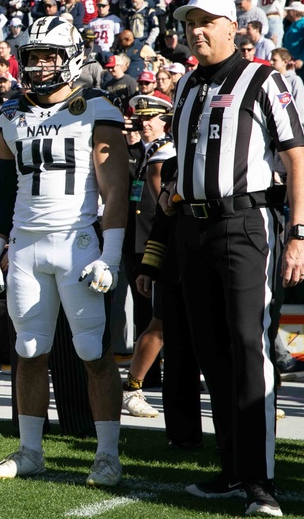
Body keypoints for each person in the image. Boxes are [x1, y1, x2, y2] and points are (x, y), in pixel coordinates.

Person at [167, 0, 304, 517]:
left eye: (207, 22)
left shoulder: (263, 79)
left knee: (250, 348)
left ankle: (260, 481)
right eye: (189, 23)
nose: (196, 31)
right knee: (212, 351)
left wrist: (299, 233)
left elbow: (297, 159)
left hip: (246, 223)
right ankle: (232, 468)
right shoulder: (186, 84)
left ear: (233, 27)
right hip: (193, 227)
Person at [0, 17, 128, 487]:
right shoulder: (10, 112)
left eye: (49, 55)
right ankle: (30, 450)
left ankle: (107, 455)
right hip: (25, 244)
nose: (40, 65)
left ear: (71, 58)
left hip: (78, 241)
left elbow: (116, 188)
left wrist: (111, 254)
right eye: (32, 56)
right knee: (28, 350)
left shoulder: (96, 107)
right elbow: (6, 188)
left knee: (92, 350)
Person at [120, 95, 175, 419]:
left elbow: (162, 207)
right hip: (143, 242)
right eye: (140, 120)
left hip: (155, 243)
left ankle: (143, 381)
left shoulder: (164, 153)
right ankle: (142, 381)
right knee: (151, 315)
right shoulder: (150, 152)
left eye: (150, 119)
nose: (144, 124)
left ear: (164, 122)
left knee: (157, 317)